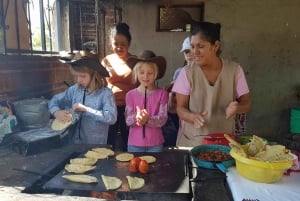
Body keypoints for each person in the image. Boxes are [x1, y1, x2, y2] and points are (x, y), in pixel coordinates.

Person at [172, 22, 251, 147]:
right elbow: (180, 108)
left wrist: (237, 108)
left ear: (215, 46)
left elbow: (246, 103)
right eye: (192, 47)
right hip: (193, 142)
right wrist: (192, 117)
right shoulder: (187, 73)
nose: (195, 52)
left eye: (201, 46)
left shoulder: (235, 70)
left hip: (225, 142)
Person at [48, 54, 117, 144]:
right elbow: (54, 100)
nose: (78, 80)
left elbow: (111, 118)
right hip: (74, 143)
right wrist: (56, 112)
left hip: (95, 145)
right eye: (76, 76)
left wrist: (87, 109)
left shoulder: (105, 93)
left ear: (94, 74)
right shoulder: (74, 90)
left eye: (83, 76)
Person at [101, 22, 137, 151]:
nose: (119, 47)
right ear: (111, 43)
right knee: (110, 137)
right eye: (116, 44)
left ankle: (130, 163)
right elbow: (101, 82)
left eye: (123, 45)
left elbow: (140, 84)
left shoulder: (134, 61)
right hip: (111, 105)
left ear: (129, 44)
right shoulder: (106, 60)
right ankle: (108, 163)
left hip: (130, 107)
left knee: (128, 137)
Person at [125, 50, 168, 152]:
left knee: (155, 168)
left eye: (150, 73)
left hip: (155, 143)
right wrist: (137, 117)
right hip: (134, 143)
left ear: (156, 74)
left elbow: (163, 118)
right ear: (136, 73)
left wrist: (147, 120)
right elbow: (128, 120)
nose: (145, 76)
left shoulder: (162, 93)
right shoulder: (130, 95)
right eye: (142, 73)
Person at [162, 36, 193, 147]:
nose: (189, 54)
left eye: (191, 50)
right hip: (179, 111)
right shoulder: (179, 72)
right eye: (186, 52)